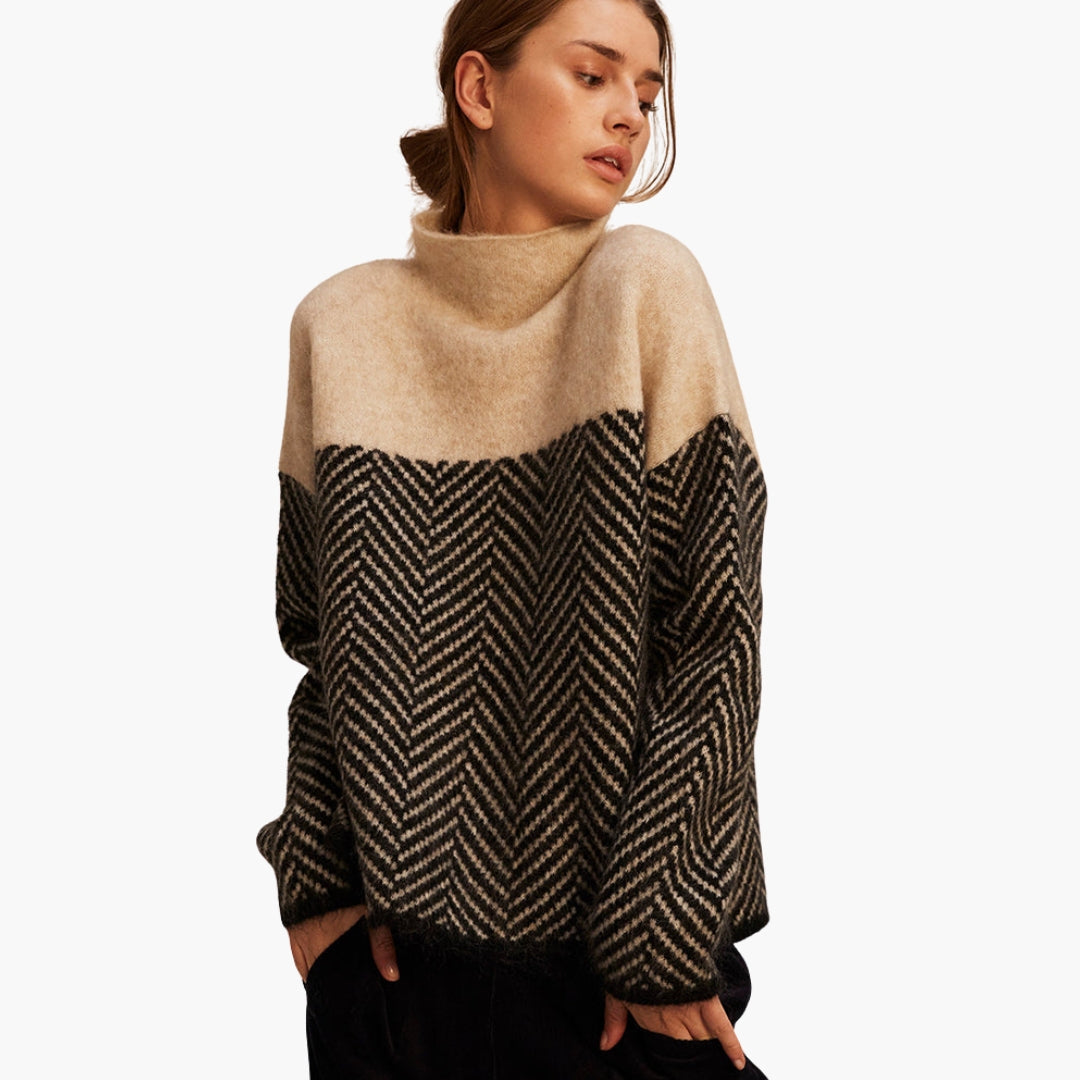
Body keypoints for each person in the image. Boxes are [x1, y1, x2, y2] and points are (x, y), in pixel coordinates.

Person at [256, 0, 772, 1076]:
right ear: (479, 88)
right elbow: (316, 642)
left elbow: (713, 635)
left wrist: (659, 932)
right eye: (593, 74)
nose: (630, 115)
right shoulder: (339, 326)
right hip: (393, 988)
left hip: (618, 979)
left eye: (648, 93)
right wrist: (319, 882)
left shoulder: (644, 286)